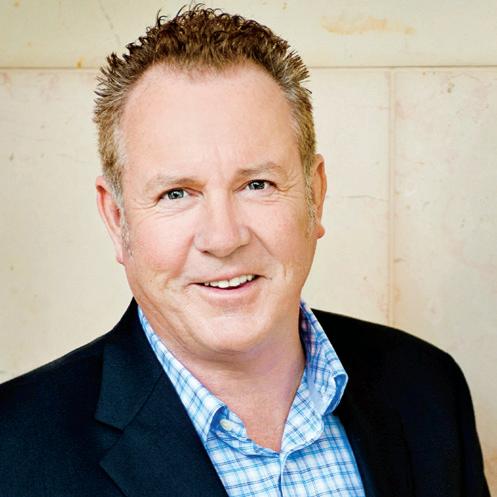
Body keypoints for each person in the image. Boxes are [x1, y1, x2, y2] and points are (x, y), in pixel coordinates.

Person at [0, 5, 489, 497]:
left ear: (315, 196)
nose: (224, 237)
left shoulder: (428, 389)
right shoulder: (13, 450)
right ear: (116, 219)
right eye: (176, 193)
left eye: (257, 184)